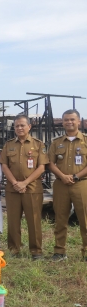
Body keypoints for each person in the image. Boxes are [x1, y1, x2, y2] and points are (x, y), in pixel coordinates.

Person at [0, 115, 48, 259]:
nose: (19, 128)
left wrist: (24, 183)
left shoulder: (38, 144)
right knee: (13, 221)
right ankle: (14, 250)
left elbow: (41, 167)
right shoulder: (9, 145)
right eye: (16, 126)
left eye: (22, 125)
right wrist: (15, 183)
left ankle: (36, 251)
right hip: (12, 189)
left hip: (32, 189)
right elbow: (4, 165)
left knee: (33, 221)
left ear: (29, 126)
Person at [48, 109, 87, 261]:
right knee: (60, 218)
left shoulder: (85, 140)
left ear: (78, 121)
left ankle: (85, 251)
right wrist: (63, 176)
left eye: (72, 119)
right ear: (62, 122)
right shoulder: (56, 142)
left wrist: (76, 176)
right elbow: (50, 163)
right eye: (66, 120)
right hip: (61, 185)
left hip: (82, 184)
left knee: (84, 219)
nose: (69, 122)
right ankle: (59, 251)